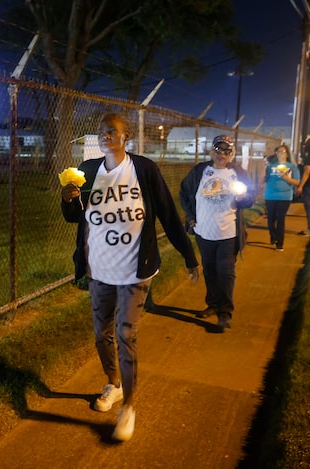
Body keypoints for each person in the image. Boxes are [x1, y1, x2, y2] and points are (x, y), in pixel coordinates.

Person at [60, 112, 200, 442]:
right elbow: (74, 217)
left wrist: (189, 255)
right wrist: (68, 199)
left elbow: (166, 211)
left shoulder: (144, 169)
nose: (106, 136)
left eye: (113, 132)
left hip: (135, 269)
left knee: (125, 333)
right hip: (99, 270)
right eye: (101, 132)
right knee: (101, 334)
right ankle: (115, 384)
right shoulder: (88, 172)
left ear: (125, 138)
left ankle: (130, 407)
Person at [180, 135, 255, 330]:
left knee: (226, 272)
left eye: (227, 151)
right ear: (212, 151)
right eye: (219, 150)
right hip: (204, 232)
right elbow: (184, 192)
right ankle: (212, 304)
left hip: (228, 233)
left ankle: (225, 312)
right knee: (210, 270)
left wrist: (243, 196)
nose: (222, 154)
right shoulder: (200, 171)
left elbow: (249, 200)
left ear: (232, 154)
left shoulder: (238, 172)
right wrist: (190, 218)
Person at [263, 145, 300, 251]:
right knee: (271, 219)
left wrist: (286, 177)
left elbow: (297, 182)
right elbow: (266, 179)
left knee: (280, 219)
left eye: (282, 152)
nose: (280, 154)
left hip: (284, 197)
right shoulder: (270, 166)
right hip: (270, 196)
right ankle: (273, 235)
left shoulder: (292, 167)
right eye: (278, 152)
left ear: (287, 154)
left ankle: (280, 244)